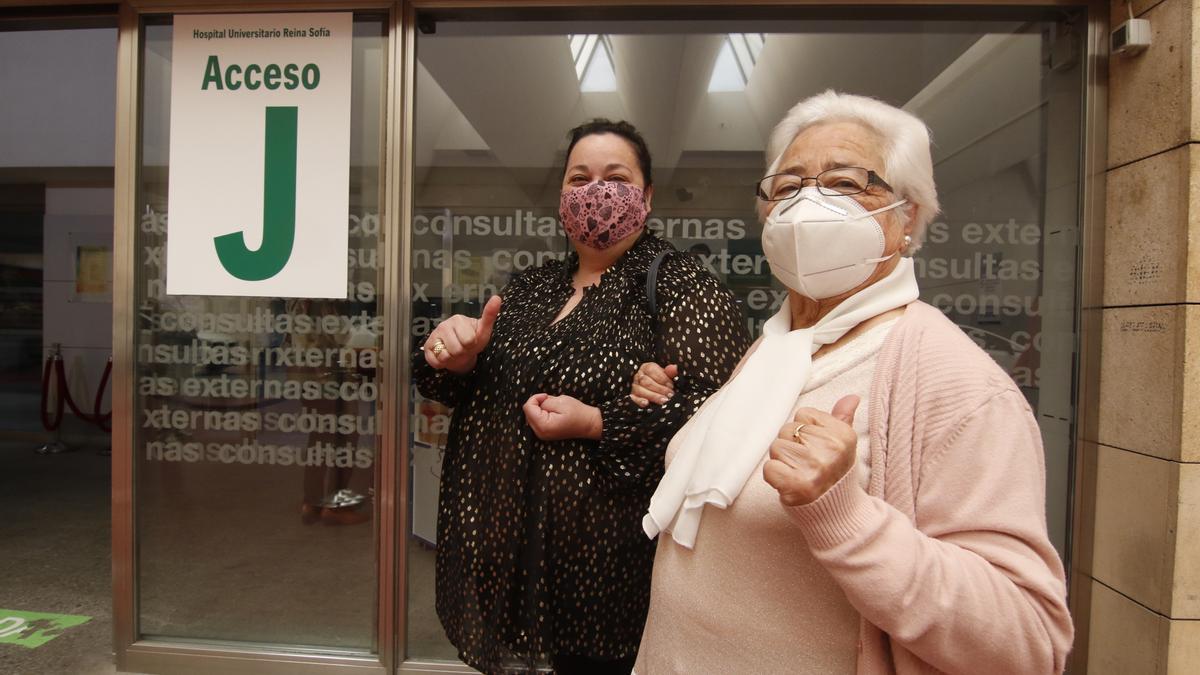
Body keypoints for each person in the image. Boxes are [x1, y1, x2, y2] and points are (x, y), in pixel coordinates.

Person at [629, 91, 1074, 674]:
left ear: (907, 216)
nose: (807, 205)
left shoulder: (956, 383)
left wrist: (845, 515)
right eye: (787, 188)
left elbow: (1027, 641)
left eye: (844, 184)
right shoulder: (779, 347)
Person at [413, 119, 751, 675]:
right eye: (580, 177)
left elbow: (721, 415)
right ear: (562, 195)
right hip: (514, 555)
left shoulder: (681, 285)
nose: (596, 191)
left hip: (611, 568)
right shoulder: (531, 287)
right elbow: (468, 387)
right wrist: (461, 359)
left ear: (645, 196)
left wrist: (598, 421)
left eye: (615, 177)